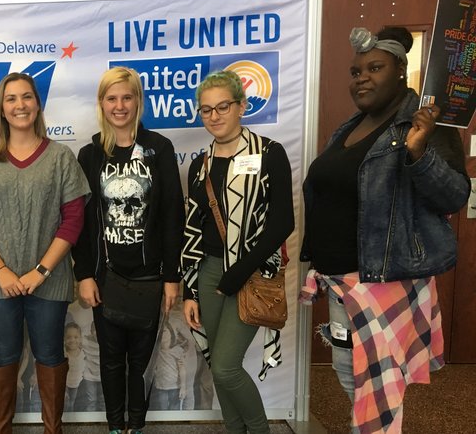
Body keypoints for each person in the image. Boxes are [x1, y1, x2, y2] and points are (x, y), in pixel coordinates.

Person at [300, 26, 469, 433]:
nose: (362, 78)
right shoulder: (350, 127)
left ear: (400, 71)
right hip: (342, 283)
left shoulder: (423, 125)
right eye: (356, 72)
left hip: (382, 281)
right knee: (350, 375)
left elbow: (454, 196)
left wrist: (419, 152)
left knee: (376, 391)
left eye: (374, 68)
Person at [0, 72, 90, 434]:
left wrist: (40, 271)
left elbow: (73, 221)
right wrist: (1, 271)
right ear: (1, 108)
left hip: (49, 279)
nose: (20, 105)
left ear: (38, 104)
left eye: (27, 97)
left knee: (49, 355)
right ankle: (2, 430)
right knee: (4, 356)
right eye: (11, 98)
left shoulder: (60, 157)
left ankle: (53, 429)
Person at [180, 69, 294, 434]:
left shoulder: (269, 153)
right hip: (209, 272)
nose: (214, 116)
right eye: (206, 109)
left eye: (223, 107)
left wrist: (239, 272)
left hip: (252, 273)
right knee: (217, 365)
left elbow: (283, 223)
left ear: (241, 106)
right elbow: (193, 228)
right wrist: (189, 291)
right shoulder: (200, 165)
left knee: (227, 366)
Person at [72, 66, 185, 434]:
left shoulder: (159, 148)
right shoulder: (90, 155)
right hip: (106, 277)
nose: (119, 106)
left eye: (127, 97)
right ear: (101, 103)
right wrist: (84, 274)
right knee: (110, 360)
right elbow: (81, 222)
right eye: (112, 98)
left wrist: (172, 276)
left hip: (150, 276)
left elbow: (172, 214)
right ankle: (114, 426)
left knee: (141, 361)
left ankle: (135, 426)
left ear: (138, 101)